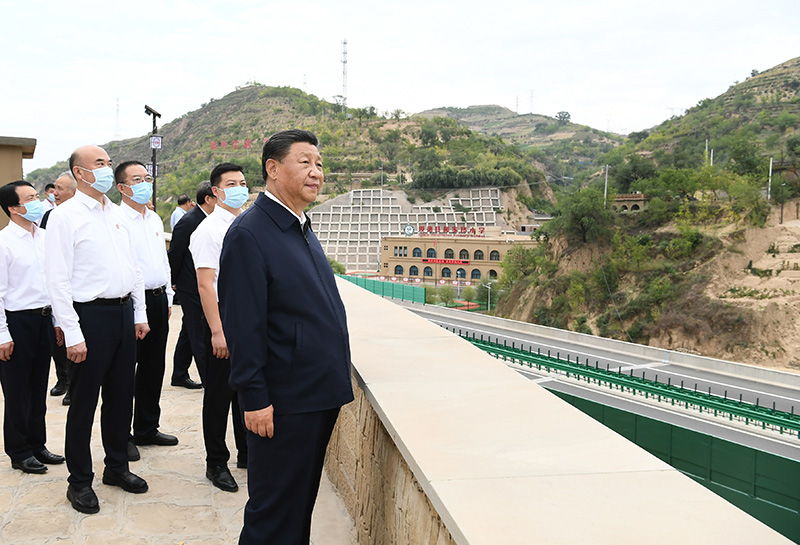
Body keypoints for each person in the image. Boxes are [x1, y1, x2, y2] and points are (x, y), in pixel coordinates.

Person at [218, 129, 354, 544]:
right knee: (273, 514)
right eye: (305, 162)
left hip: (314, 394)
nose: (316, 172)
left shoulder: (298, 225)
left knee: (297, 508)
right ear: (273, 169)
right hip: (285, 401)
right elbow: (244, 325)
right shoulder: (250, 233)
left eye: (320, 164)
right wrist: (255, 398)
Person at [44, 145, 150, 514]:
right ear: (80, 172)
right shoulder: (65, 217)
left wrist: (139, 313)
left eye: (108, 162)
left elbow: (133, 266)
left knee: (121, 397)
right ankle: (79, 481)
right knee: (84, 403)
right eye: (99, 163)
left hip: (122, 314)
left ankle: (116, 467)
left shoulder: (116, 214)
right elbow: (57, 279)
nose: (106, 168)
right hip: (89, 317)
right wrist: (72, 333)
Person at [114, 161, 179, 463]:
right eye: (137, 180)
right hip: (131, 303)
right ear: (122, 187)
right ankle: (122, 435)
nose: (145, 184)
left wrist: (168, 297)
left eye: (147, 178)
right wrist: (138, 309)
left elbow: (163, 261)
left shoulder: (152, 218)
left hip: (157, 299)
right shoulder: (116, 220)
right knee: (125, 371)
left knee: (154, 367)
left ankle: (147, 427)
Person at [189, 163, 248, 492]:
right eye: (231, 184)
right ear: (216, 192)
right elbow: (205, 284)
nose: (240, 189)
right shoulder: (209, 231)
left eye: (242, 183)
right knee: (218, 395)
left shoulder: (245, 223)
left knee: (245, 388)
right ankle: (216, 462)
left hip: (246, 319)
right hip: (222, 319)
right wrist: (218, 331)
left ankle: (246, 453)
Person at [0, 181, 65, 475]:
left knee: (39, 386)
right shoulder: (4, 243)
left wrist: (57, 321)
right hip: (17, 322)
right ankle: (19, 450)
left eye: (37, 196)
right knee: (17, 390)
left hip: (44, 319)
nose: (38, 201)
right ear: (13, 208)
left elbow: (54, 282)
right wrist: (2, 334)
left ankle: (38, 444)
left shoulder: (45, 237)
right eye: (30, 198)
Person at [168, 182, 215, 389]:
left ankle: (179, 374)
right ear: (208, 199)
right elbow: (175, 254)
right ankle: (210, 380)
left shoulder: (210, 220)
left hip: (202, 283)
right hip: (190, 285)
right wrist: (173, 283)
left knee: (189, 329)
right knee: (198, 332)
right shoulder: (188, 222)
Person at [40, 171, 77, 404]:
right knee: (59, 340)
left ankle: (74, 384)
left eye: (60, 189)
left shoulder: (82, 216)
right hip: (56, 286)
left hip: (79, 290)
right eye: (54, 188)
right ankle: (63, 379)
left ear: (74, 191)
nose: (55, 193)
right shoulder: (50, 216)